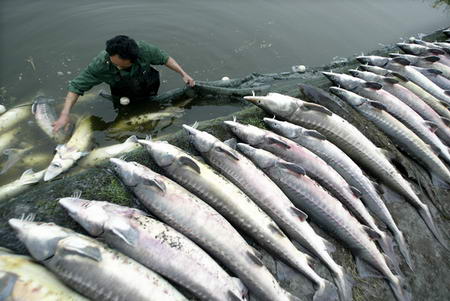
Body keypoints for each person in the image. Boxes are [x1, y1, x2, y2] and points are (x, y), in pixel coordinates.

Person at [53, 35, 195, 132]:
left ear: (134, 58)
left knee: (151, 101)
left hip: (148, 79)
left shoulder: (144, 50)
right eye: (116, 65)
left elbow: (165, 59)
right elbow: (76, 86)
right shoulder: (101, 65)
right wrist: (65, 114)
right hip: (121, 89)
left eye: (123, 66)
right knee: (124, 110)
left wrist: (183, 74)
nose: (119, 67)